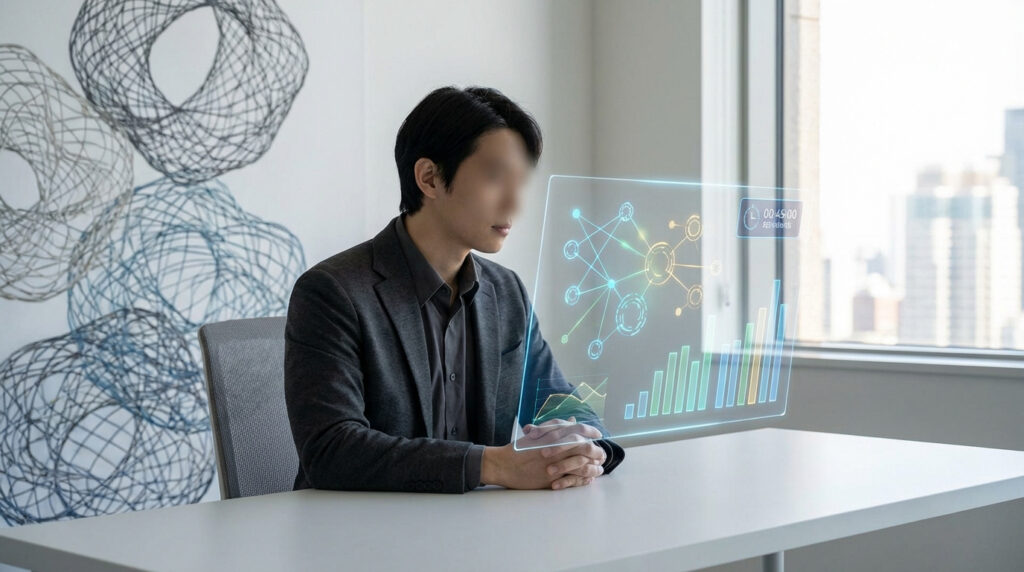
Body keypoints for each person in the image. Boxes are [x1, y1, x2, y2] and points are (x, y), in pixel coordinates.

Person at [284, 86, 625, 493]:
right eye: (496, 178)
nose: (514, 203)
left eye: (521, 183)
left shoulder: (505, 292)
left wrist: (586, 448)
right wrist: (492, 465)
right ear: (429, 178)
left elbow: (561, 404)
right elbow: (331, 451)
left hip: (477, 534)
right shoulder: (332, 293)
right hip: (359, 539)